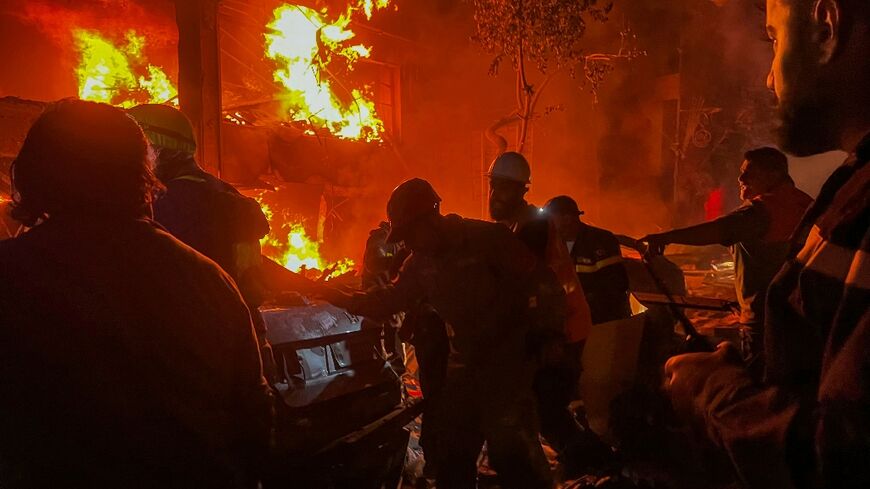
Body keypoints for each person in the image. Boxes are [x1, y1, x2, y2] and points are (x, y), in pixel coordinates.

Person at [0, 99, 273, 488]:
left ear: (33, 174)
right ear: (142, 175)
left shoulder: (11, 275)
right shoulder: (209, 279)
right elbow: (254, 420)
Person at [663, 1, 870, 487]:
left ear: (826, 28)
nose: (768, 80)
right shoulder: (845, 191)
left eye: (774, 39)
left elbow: (842, 456)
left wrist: (715, 395)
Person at [317, 178, 559, 489]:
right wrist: (327, 292)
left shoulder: (489, 239)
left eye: (410, 234)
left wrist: (550, 334)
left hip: (508, 361)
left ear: (432, 217)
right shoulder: (419, 265)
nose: (408, 244)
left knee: (511, 452)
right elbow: (386, 302)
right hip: (465, 365)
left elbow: (543, 282)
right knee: (452, 454)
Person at [487, 152, 607, 476]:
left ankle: (590, 461)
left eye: (505, 188)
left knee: (547, 406)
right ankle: (589, 454)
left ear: (522, 190)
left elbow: (525, 282)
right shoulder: (517, 223)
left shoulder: (533, 227)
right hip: (552, 324)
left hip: (561, 326)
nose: (496, 194)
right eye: (493, 186)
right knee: (546, 403)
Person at [642, 147, 813, 365]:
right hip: (802, 319)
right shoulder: (806, 203)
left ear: (774, 175)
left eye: (750, 172)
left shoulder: (761, 210)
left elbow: (719, 230)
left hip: (765, 321)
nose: (741, 178)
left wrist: (665, 238)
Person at [544, 195, 632, 325]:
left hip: (603, 321)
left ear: (567, 219)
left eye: (550, 219)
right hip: (573, 320)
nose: (546, 224)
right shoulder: (552, 242)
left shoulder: (601, 240)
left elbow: (614, 287)